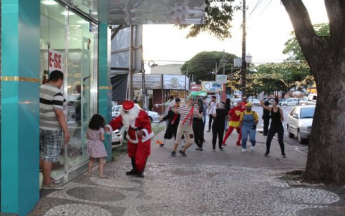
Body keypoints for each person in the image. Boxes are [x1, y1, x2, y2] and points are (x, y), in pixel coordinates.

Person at [40, 70, 70, 190]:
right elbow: (58, 113)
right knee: (49, 156)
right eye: (62, 81)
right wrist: (66, 131)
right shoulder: (57, 93)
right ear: (59, 79)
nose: (62, 83)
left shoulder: (39, 89)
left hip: (39, 127)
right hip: (51, 129)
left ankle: (46, 178)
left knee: (42, 154)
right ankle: (47, 183)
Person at [108, 100, 154, 177]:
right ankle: (134, 169)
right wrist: (109, 127)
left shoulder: (142, 114)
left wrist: (142, 132)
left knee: (141, 154)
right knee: (132, 153)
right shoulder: (123, 115)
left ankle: (140, 171)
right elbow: (117, 122)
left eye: (127, 111)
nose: (125, 113)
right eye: (124, 111)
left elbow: (147, 125)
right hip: (131, 136)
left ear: (132, 110)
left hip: (141, 138)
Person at [86, 114, 108, 178]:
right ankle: (101, 174)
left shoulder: (89, 128)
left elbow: (87, 136)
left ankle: (89, 172)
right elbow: (102, 138)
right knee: (101, 160)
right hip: (98, 145)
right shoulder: (101, 129)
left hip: (91, 144)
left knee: (91, 159)